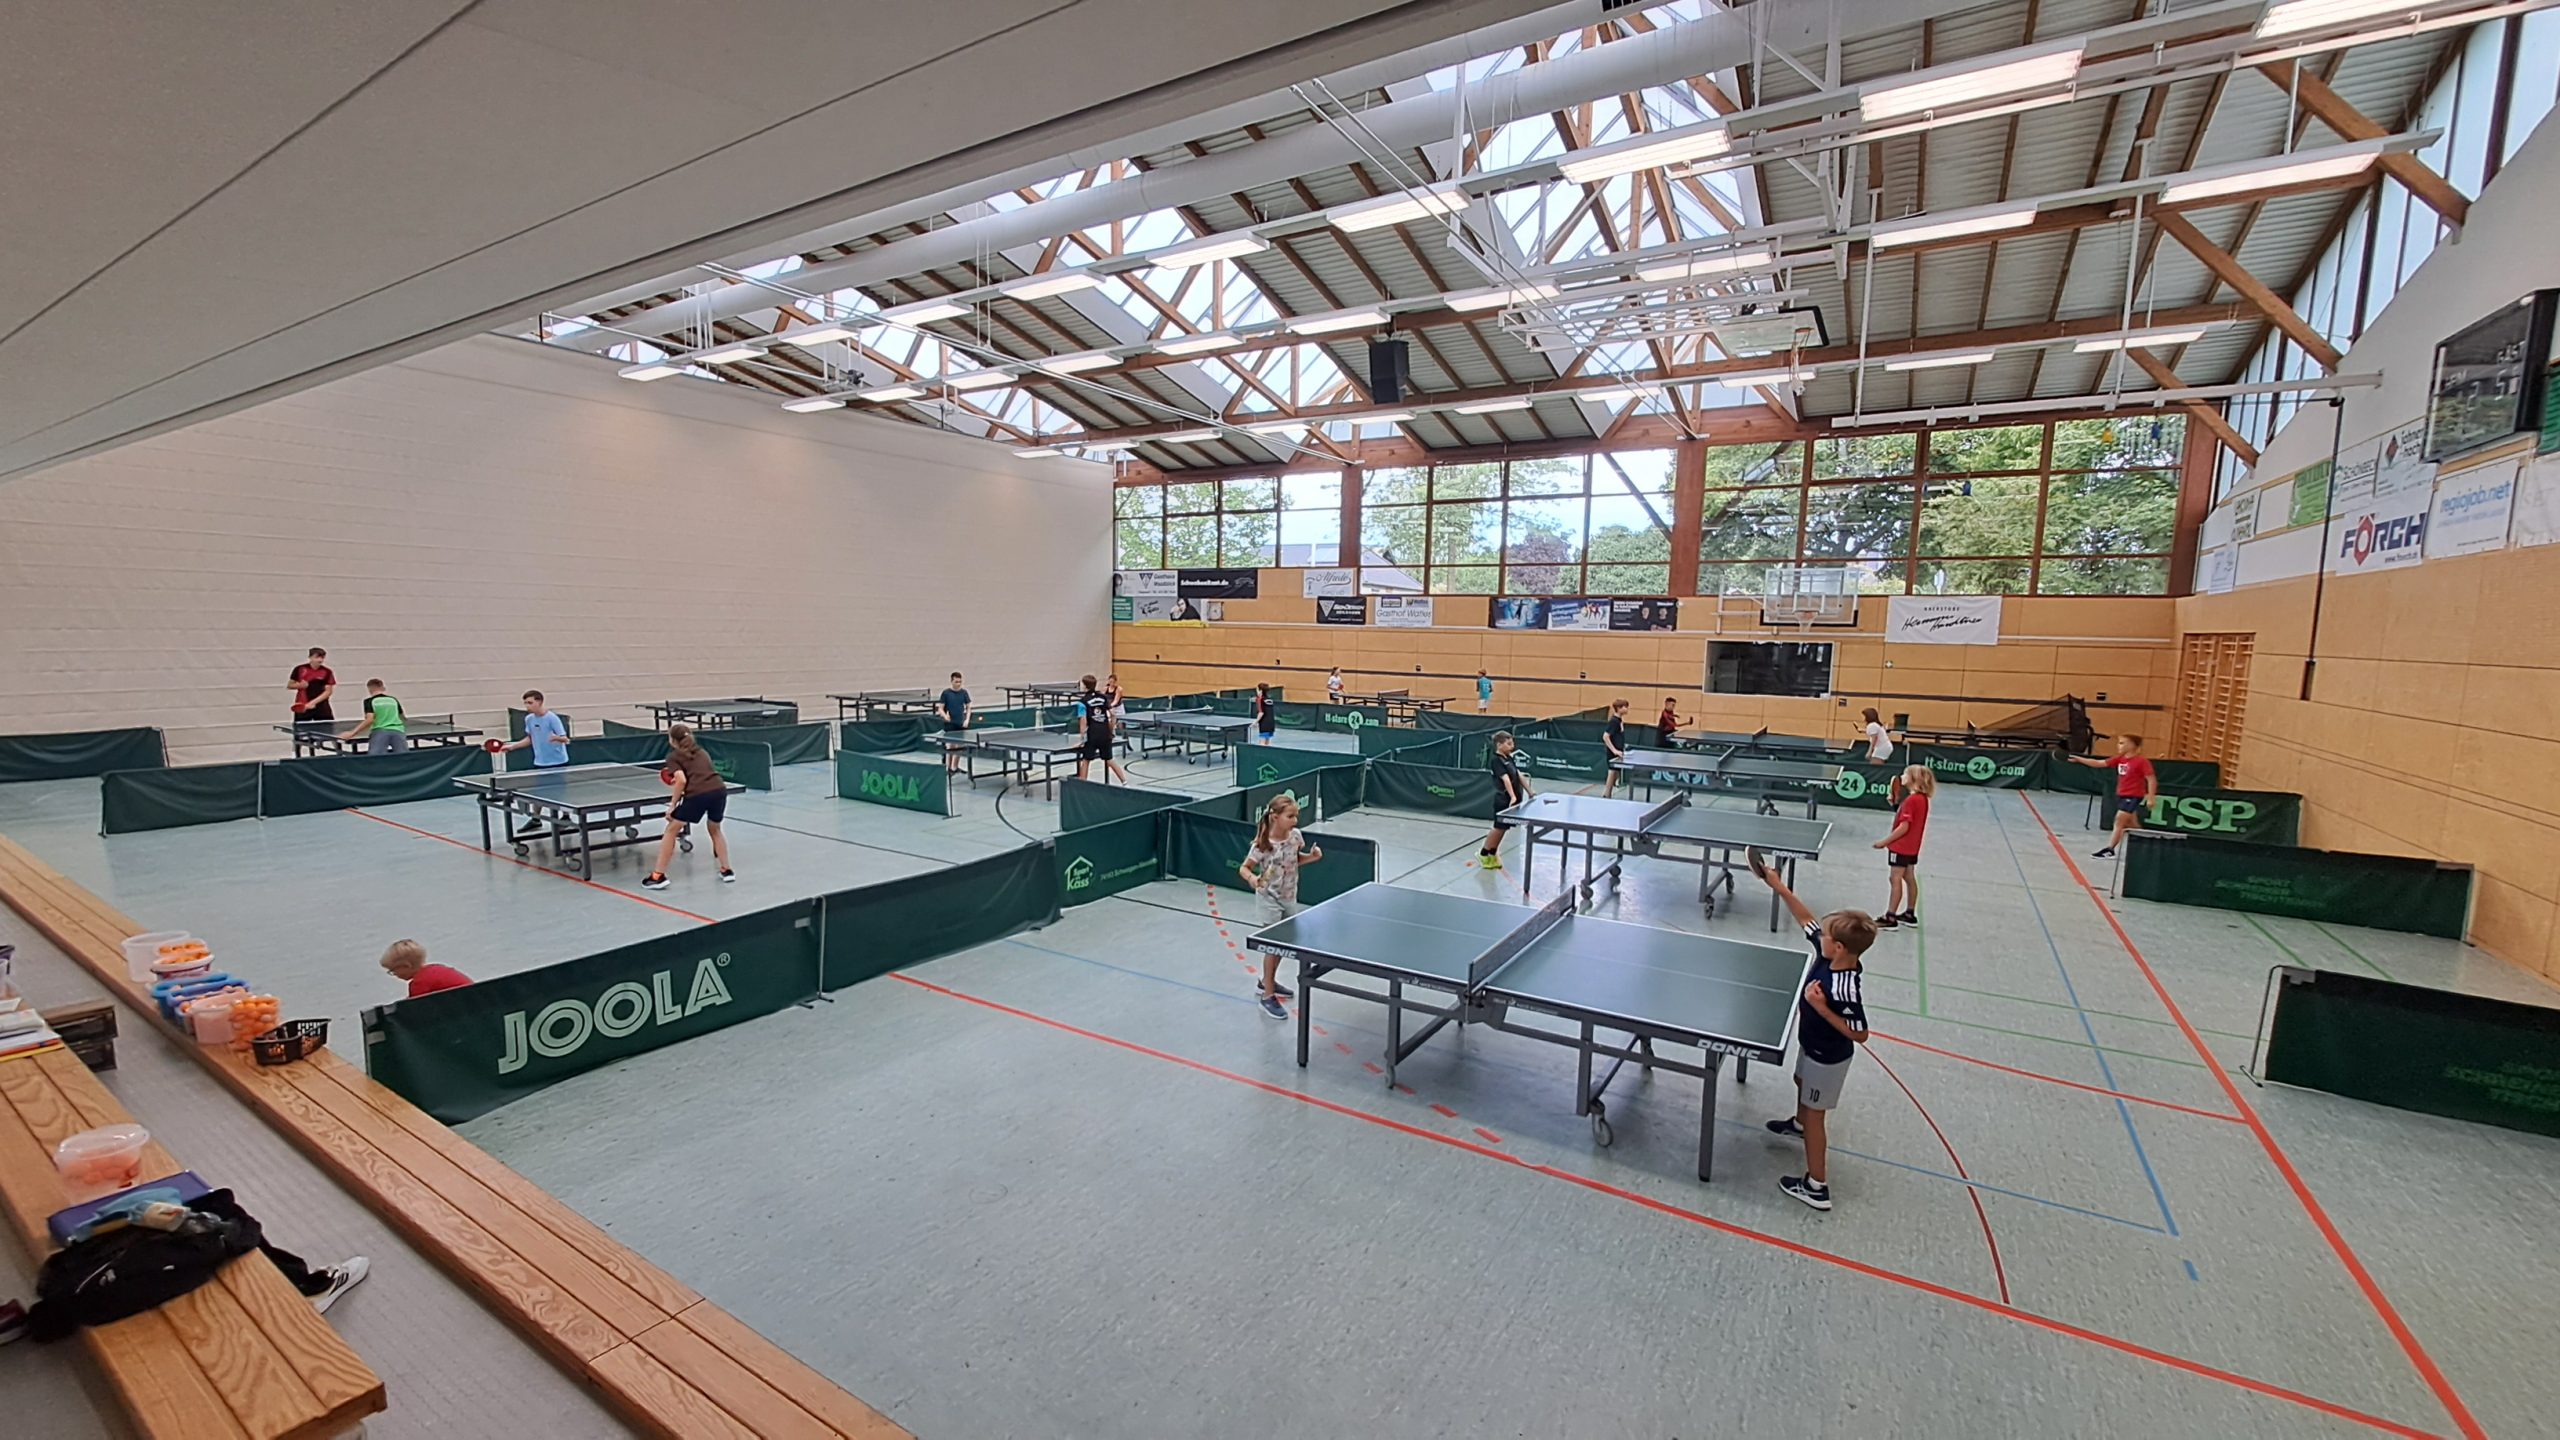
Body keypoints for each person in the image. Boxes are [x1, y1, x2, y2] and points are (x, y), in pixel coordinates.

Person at [1750, 848, 1872, 1213]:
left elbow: (1860, 1033)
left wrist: (1820, 1008)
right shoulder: (1828, 953)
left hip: (1829, 1056)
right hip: (1812, 1044)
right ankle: (1800, 1124)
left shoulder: (1845, 986)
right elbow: (1806, 918)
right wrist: (1778, 885)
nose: (1819, 935)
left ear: (1839, 947)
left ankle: (1817, 1186)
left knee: (1817, 1115)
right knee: (1799, 1082)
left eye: (1826, 935)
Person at [1240, 794, 1322, 1019]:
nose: (1295, 820)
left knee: (1283, 944)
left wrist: (1312, 857)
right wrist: (1253, 879)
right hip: (1269, 899)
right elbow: (1244, 868)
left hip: (1289, 897)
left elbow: (1295, 860)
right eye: (1290, 816)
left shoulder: (1296, 836)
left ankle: (1266, 982)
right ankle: (1267, 996)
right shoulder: (1263, 844)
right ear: (1275, 817)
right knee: (1273, 946)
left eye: (1296, 816)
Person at [642, 725, 734, 889]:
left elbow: (682, 780)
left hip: (698, 795)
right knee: (715, 829)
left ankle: (657, 876)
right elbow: (698, 774)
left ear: (672, 740)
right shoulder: (702, 752)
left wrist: (672, 805)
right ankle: (727, 870)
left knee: (671, 830)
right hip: (719, 791)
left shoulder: (673, 757)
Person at [2068, 733, 2157, 859]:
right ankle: (2150, 845)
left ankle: (2110, 849)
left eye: (2122, 743)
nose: (2119, 746)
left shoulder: (2141, 761)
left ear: (2132, 745)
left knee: (2119, 821)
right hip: (2121, 795)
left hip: (2133, 795)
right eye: (2119, 743)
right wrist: (2080, 759)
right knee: (2132, 824)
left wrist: (2151, 797)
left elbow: (2151, 779)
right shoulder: (2120, 759)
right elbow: (2098, 763)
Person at [1873, 765, 1932, 930]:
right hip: (1913, 847)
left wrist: (1885, 842)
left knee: (1895, 878)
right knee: (1909, 877)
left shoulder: (1911, 800)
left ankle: (1890, 917)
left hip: (1900, 847)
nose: (1902, 776)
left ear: (1913, 779)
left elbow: (1904, 827)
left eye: (1905, 774)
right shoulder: (1922, 799)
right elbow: (1908, 819)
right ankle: (1909, 914)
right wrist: (1895, 805)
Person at [1480, 731, 1528, 870]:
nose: (1512, 746)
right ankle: (1483, 853)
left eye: (1512, 743)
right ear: (1499, 745)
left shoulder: (1508, 758)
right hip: (1503, 798)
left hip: (1512, 798)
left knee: (1504, 828)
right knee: (1498, 827)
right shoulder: (1496, 760)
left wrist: (1530, 791)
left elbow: (1518, 774)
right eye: (1509, 743)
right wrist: (1512, 796)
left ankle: (1492, 853)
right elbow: (1505, 779)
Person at [1073, 674, 1128, 784]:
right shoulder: (1103, 698)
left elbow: (1083, 722)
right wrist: (1111, 730)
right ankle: (1124, 782)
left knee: (1086, 760)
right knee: (1109, 759)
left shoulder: (1082, 702)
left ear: (1085, 686)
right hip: (1104, 733)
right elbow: (1113, 714)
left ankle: (1082, 785)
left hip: (1092, 734)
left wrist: (1082, 740)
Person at [378, 939, 471, 997]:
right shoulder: (438, 968)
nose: (394, 974)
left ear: (406, 966)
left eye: (393, 970)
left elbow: (415, 1009)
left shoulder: (419, 982)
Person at [337, 680, 409, 755]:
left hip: (380, 732)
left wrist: (352, 733)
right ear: (382, 687)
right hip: (398, 731)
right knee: (404, 757)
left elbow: (370, 719)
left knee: (375, 758)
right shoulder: (393, 700)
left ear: (369, 689)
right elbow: (402, 717)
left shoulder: (369, 701)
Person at [503, 690, 571, 768]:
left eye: (530, 703)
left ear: (539, 702)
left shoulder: (552, 718)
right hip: (539, 763)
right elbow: (530, 739)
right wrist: (511, 747)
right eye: (525, 703)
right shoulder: (529, 719)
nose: (527, 706)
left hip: (558, 762)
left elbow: (565, 739)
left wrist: (556, 738)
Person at [935, 672, 972, 774]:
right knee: (950, 746)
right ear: (951, 681)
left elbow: (969, 707)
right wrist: (945, 716)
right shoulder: (946, 693)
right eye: (956, 682)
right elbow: (940, 708)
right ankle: (948, 768)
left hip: (961, 723)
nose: (958, 684)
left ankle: (954, 767)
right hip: (950, 724)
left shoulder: (964, 693)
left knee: (959, 747)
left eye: (960, 682)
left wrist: (967, 719)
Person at [287, 648, 336, 724]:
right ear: (310, 657)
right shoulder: (299, 669)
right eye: (317, 657)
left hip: (321, 706)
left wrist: (312, 703)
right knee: (301, 729)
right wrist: (299, 685)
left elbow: (328, 691)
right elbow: (289, 685)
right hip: (303, 705)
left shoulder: (327, 671)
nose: (320, 660)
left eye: (322, 657)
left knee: (327, 728)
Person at [1600, 698, 1632, 798]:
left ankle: (1608, 794)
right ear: (1618, 708)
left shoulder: (1619, 720)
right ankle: (1606, 795)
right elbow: (1605, 736)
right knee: (1612, 772)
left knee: (1614, 773)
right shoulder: (1614, 721)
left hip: (1619, 751)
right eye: (1625, 707)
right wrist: (1614, 750)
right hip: (1613, 752)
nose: (1627, 709)